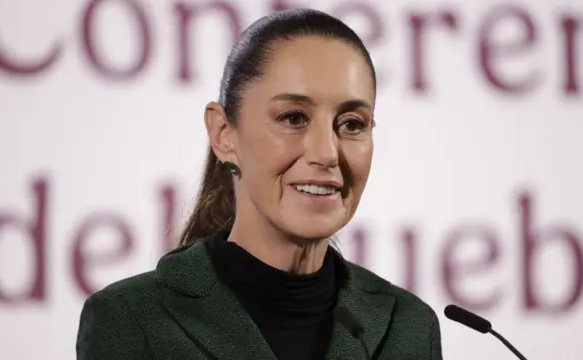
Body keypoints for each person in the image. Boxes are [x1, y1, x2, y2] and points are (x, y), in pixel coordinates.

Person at [76, 8, 442, 360]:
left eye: (352, 124)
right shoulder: (131, 320)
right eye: (294, 117)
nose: (328, 153)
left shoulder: (408, 327)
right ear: (223, 134)